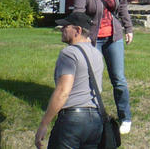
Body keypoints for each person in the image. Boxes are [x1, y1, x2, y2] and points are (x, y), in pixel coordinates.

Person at [73, 0, 134, 135]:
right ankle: (95, 118)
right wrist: (78, 38)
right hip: (93, 40)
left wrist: (128, 28)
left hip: (113, 37)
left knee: (119, 80)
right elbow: (78, 13)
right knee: (93, 82)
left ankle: (125, 117)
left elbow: (122, 4)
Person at [35, 11, 105, 148]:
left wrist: (44, 124)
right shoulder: (97, 54)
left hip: (72, 122)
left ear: (77, 30)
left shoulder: (69, 53)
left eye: (66, 26)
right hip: (96, 121)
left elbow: (63, 92)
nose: (62, 29)